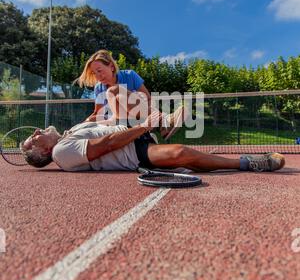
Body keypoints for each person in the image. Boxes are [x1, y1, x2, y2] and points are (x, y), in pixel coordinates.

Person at [20, 110, 285, 174]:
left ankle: (169, 122)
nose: (36, 132)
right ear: (43, 150)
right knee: (181, 153)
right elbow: (107, 145)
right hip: (133, 153)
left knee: (178, 146)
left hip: (137, 137)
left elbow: (108, 125)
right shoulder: (61, 152)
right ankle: (248, 163)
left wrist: (145, 120)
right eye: (33, 139)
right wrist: (144, 126)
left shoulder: (69, 134)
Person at [75, 50, 182, 140]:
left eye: (99, 71)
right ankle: (163, 123)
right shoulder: (99, 87)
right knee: (88, 121)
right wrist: (80, 126)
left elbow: (148, 99)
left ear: (112, 67)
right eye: (94, 73)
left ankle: (161, 124)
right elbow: (98, 113)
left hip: (139, 117)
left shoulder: (130, 75)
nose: (98, 76)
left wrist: (150, 117)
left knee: (121, 92)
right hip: (116, 122)